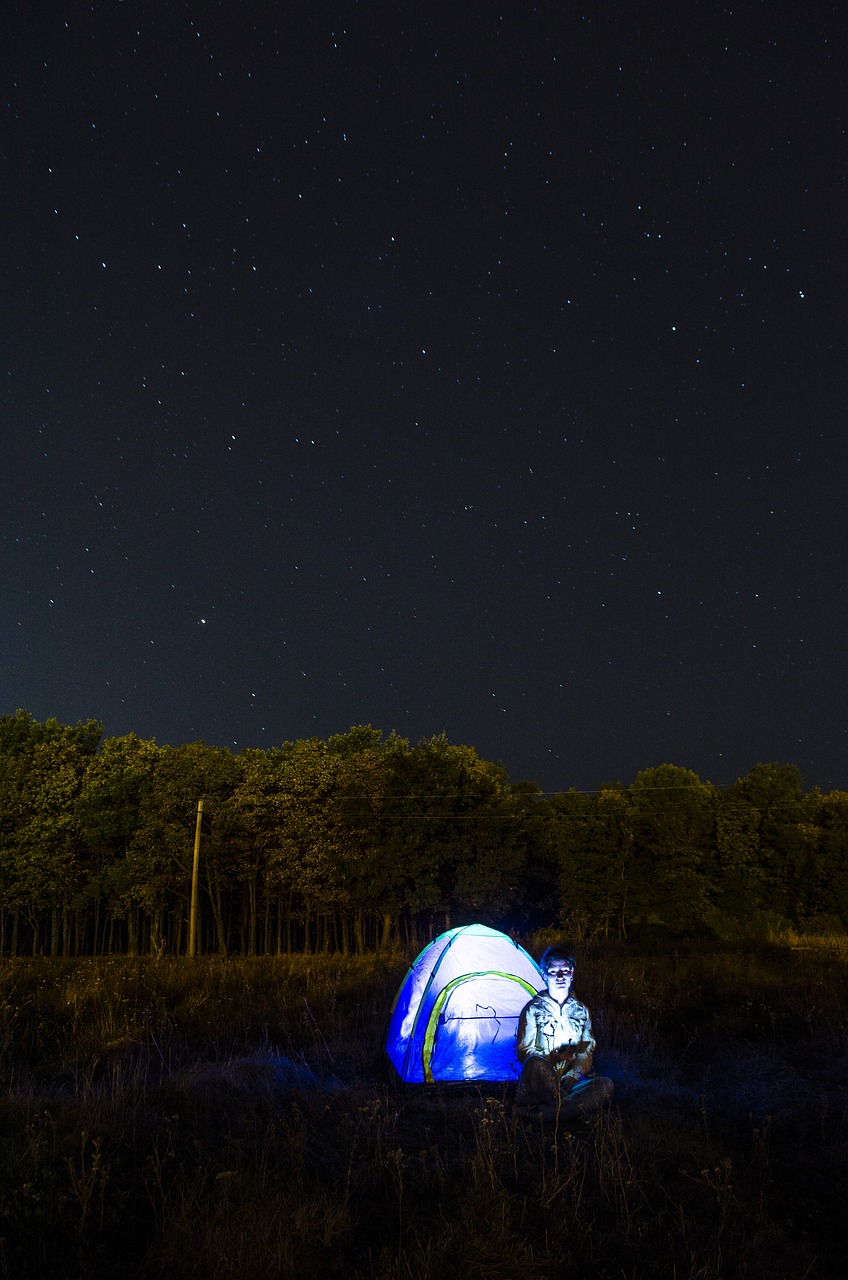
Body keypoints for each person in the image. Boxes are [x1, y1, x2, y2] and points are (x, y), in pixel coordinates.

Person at [516, 944, 614, 1118]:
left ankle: (546, 1113)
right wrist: (553, 1057)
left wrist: (573, 1075)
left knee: (605, 1085)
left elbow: (586, 1052)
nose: (560, 976)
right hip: (540, 1083)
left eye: (565, 971)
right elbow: (525, 1052)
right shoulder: (532, 1010)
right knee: (535, 1064)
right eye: (553, 972)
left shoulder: (581, 1011)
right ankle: (567, 1110)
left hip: (569, 1083)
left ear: (572, 974)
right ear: (544, 975)